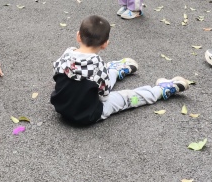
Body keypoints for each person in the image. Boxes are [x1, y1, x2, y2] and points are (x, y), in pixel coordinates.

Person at [50, 15, 190, 126]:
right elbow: (104, 96)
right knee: (128, 97)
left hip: (62, 108)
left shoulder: (66, 55)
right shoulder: (98, 68)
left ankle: (115, 70)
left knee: (98, 79)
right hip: (88, 115)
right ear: (105, 44)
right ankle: (160, 91)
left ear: (78, 36)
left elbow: (58, 77)